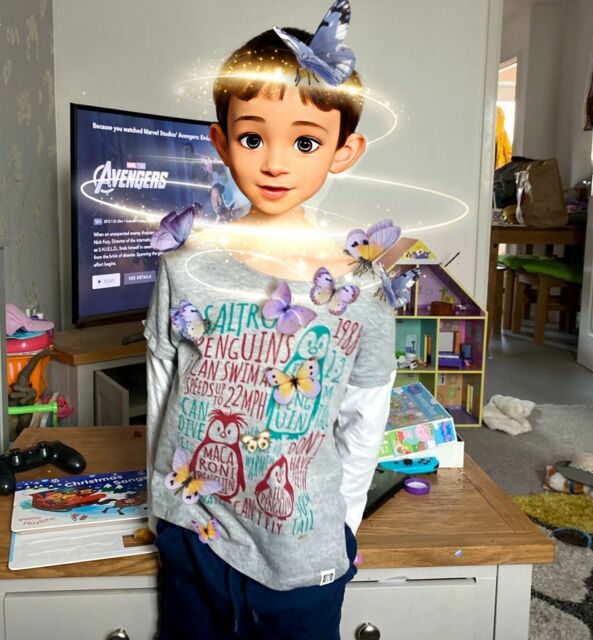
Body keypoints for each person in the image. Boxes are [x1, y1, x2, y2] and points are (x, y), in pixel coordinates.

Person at [145, 11, 396, 639]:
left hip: (302, 554)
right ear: (222, 141)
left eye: (305, 143)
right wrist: (161, 508)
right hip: (192, 533)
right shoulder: (184, 265)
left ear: (344, 151)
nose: (276, 163)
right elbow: (162, 387)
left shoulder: (363, 287)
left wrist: (343, 522)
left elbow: (364, 416)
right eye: (253, 138)